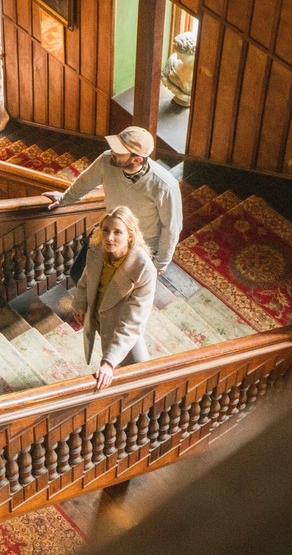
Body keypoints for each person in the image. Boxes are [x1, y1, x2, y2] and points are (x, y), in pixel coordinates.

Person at [43, 126, 182, 274]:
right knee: (78, 274)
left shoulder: (165, 186)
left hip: (139, 246)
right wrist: (65, 198)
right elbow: (85, 182)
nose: (112, 152)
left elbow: (171, 228)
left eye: (119, 151)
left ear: (137, 159)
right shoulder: (106, 160)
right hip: (108, 232)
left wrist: (159, 264)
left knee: (118, 291)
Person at [73, 206, 156, 392]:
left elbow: (133, 323)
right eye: (106, 230)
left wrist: (108, 363)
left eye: (117, 232)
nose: (109, 238)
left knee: (141, 377)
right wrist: (80, 305)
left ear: (130, 236)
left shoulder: (144, 269)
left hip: (121, 326)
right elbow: (86, 279)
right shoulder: (97, 250)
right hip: (98, 317)